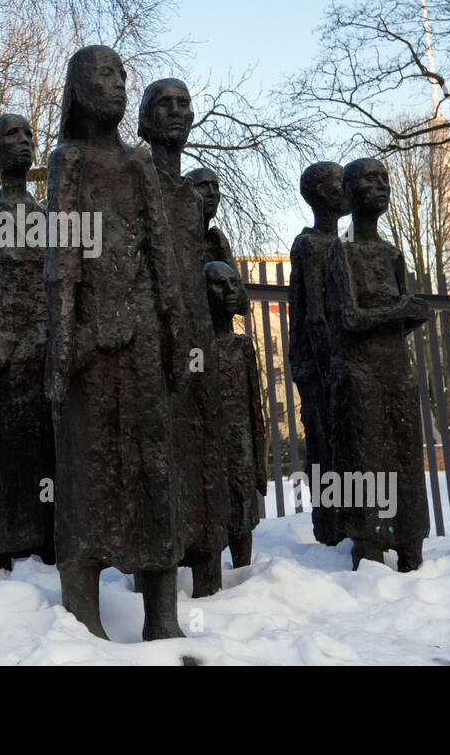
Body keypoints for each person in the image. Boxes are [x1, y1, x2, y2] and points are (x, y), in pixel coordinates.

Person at [46, 45, 185, 640]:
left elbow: (161, 254)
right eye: (106, 75)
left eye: (123, 76)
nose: (120, 85)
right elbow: (61, 259)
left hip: (144, 340)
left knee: (153, 466)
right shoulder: (66, 160)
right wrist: (61, 344)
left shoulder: (139, 166)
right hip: (87, 345)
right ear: (80, 87)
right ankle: (83, 611)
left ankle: (163, 615)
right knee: (85, 468)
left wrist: (175, 333)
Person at [137, 79, 228, 598]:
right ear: (145, 121)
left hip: (196, 335)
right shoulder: (136, 179)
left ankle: (205, 562)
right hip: (152, 333)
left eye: (184, 104)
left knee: (199, 443)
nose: (176, 112)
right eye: (163, 105)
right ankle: (157, 571)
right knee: (159, 449)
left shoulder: (191, 198)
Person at [325, 157, 431, 571]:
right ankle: (368, 542)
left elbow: (401, 318)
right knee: (366, 458)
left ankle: (411, 540)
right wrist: (398, 311)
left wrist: (411, 313)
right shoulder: (341, 251)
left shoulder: (392, 253)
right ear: (349, 193)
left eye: (385, 179)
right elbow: (348, 319)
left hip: (396, 370)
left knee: (406, 456)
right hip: (361, 371)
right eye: (370, 180)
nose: (381, 186)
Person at [0, 113, 55, 569]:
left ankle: (46, 537)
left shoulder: (47, 216)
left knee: (45, 453)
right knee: (6, 454)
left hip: (44, 357)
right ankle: (3, 538)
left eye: (29, 135)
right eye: (11, 135)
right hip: (4, 357)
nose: (23, 142)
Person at [288, 161, 349, 546]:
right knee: (324, 445)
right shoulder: (310, 244)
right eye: (340, 182)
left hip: (338, 362)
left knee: (343, 444)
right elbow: (314, 315)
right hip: (318, 365)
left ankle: (347, 521)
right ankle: (330, 528)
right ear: (322, 193)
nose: (348, 188)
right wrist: (330, 367)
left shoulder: (341, 245)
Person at [205, 261, 268, 567]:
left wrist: (259, 461)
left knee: (242, 511)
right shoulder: (197, 351)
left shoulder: (243, 347)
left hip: (240, 445)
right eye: (219, 284)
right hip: (208, 446)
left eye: (234, 283)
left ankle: (243, 571)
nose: (229, 291)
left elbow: (256, 409)